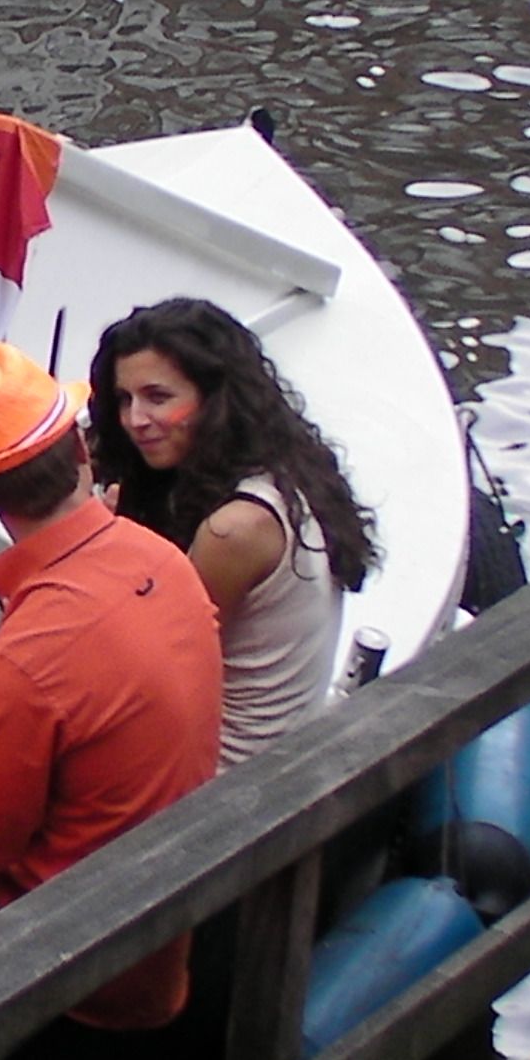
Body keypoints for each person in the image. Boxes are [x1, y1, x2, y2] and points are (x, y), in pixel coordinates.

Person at [0, 343, 222, 1060]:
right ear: (84, 453)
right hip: (160, 942)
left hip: (68, 992)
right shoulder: (166, 564)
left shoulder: (25, 662)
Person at [89, 297, 378, 764]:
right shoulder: (284, 467)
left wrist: (92, 547)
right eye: (124, 400)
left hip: (222, 783)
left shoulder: (235, 531)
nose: (134, 420)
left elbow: (140, 670)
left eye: (158, 397)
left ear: (214, 399)